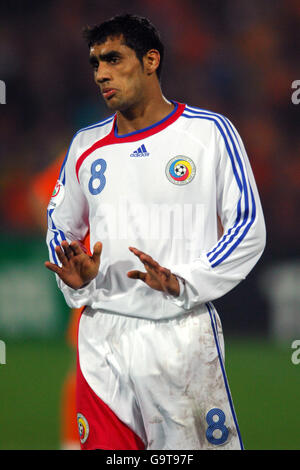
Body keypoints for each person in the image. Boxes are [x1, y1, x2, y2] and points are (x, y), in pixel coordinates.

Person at [45, 14, 266, 450]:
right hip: (102, 336)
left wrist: (187, 280)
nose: (101, 73)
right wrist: (75, 275)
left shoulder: (209, 133)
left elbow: (247, 226)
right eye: (94, 63)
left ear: (150, 61)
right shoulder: (84, 146)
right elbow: (59, 225)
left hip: (180, 332)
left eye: (113, 59)